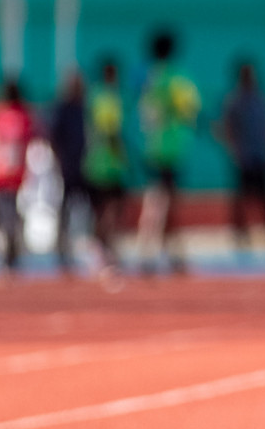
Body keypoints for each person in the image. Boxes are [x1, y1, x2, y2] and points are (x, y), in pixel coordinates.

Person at [137, 30, 201, 274]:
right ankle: (157, 255)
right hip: (172, 147)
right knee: (164, 202)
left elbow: (146, 114)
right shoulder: (176, 77)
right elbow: (191, 107)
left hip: (153, 146)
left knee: (158, 200)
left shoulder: (150, 78)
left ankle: (166, 253)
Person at [217, 59, 265, 255]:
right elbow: (228, 130)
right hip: (244, 158)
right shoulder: (233, 102)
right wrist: (235, 151)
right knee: (240, 202)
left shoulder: (261, 100)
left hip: (261, 157)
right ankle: (241, 240)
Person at [0, 79, 33, 270]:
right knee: (9, 212)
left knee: (6, 213)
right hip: (10, 173)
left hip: (1, 172)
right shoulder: (21, 115)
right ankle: (10, 251)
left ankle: (9, 251)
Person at [84, 58, 130, 271]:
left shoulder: (95, 97)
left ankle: (102, 249)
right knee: (111, 208)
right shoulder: (107, 98)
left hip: (97, 162)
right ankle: (102, 249)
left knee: (103, 209)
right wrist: (124, 155)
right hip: (107, 163)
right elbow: (111, 132)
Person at [48, 70, 88, 273]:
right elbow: (53, 136)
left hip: (88, 167)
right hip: (68, 167)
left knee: (90, 210)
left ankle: (87, 249)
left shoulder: (85, 108)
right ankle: (63, 250)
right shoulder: (62, 109)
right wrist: (59, 161)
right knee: (65, 209)